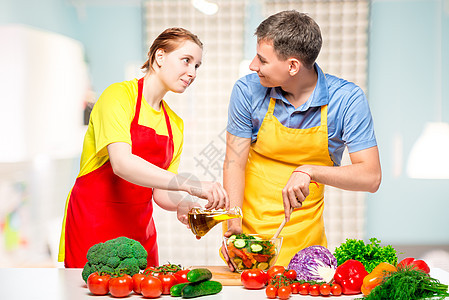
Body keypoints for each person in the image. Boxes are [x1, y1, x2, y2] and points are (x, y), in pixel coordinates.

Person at [222, 10, 381, 268]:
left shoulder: (347, 100)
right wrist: (233, 227)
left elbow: (371, 176)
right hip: (247, 232)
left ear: (293, 66)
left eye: (262, 60)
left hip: (305, 244)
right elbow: (234, 163)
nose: (253, 66)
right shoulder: (247, 90)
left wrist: (309, 171)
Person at [58, 27, 229, 268]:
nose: (192, 72)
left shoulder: (175, 124)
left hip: (139, 232)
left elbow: (160, 192)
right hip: (94, 222)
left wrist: (183, 204)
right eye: (186, 61)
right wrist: (193, 185)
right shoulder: (117, 96)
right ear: (159, 57)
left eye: (197, 66)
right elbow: (122, 163)